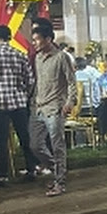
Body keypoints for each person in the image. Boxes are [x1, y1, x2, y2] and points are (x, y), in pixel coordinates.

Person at [29, 21, 77, 196]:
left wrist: (70, 102)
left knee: (58, 146)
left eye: (37, 39)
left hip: (55, 108)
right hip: (39, 108)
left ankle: (60, 182)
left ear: (48, 39)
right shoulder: (38, 58)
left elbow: (71, 82)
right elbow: (38, 83)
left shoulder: (62, 57)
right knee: (35, 145)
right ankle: (57, 168)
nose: (34, 43)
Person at [0, 25, 38, 186]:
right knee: (25, 137)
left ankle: (2, 175)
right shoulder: (20, 55)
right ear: (10, 37)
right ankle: (32, 169)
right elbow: (30, 81)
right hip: (19, 102)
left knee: (1, 141)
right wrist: (25, 95)